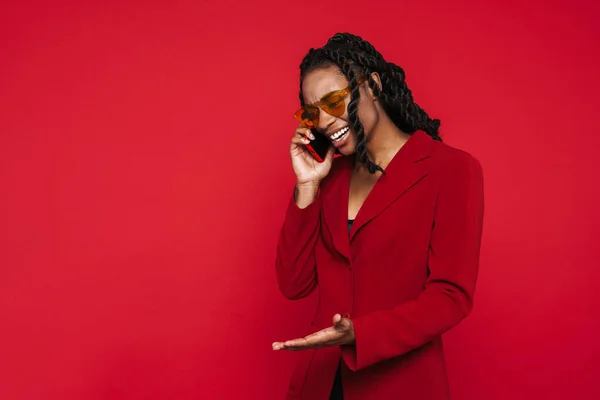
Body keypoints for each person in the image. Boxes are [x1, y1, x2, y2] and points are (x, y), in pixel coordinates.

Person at [272, 32, 484, 400]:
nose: (324, 121)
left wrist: (361, 333)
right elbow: (294, 284)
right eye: (312, 111)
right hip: (319, 385)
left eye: (334, 100)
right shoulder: (331, 177)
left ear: (371, 85)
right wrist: (306, 187)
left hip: (400, 385)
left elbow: (451, 296)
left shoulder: (450, 169)